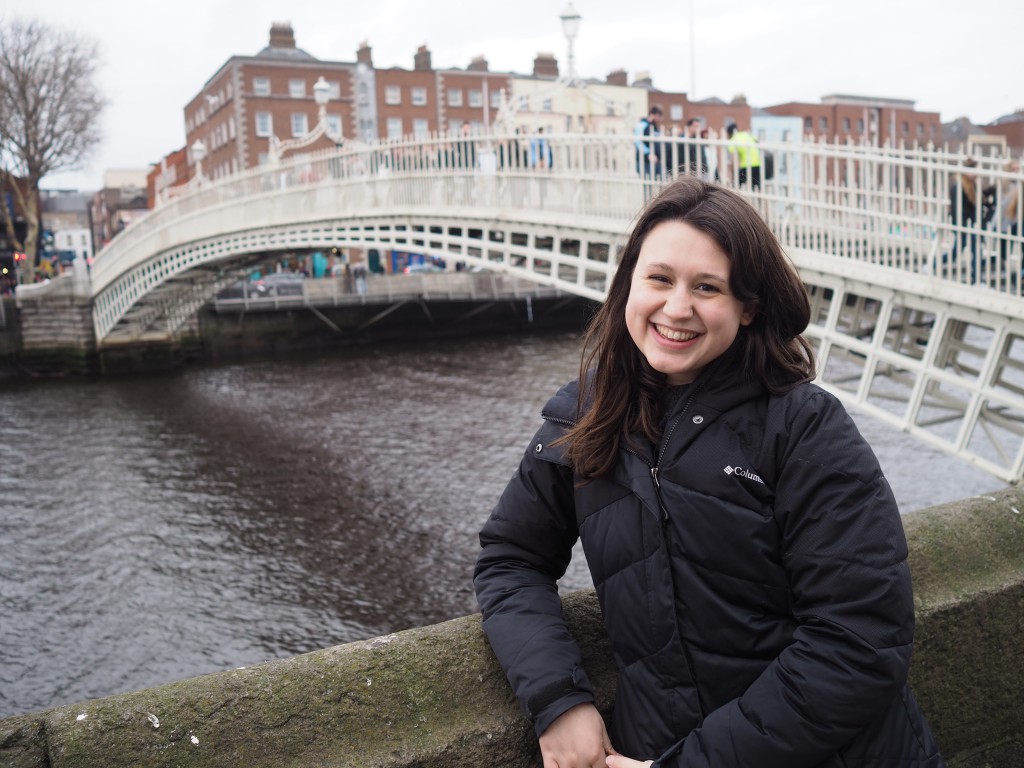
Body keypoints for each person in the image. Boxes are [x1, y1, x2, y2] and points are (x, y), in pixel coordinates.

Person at [474, 176, 945, 768]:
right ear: (628, 286)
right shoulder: (587, 416)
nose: (676, 308)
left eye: (707, 287)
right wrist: (559, 701)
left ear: (748, 307)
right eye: (659, 279)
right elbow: (511, 559)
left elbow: (857, 640)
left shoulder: (801, 426)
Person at [725, 123, 762, 189]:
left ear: (729, 133)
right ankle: (760, 199)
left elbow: (734, 160)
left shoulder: (733, 140)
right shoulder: (746, 134)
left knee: (736, 186)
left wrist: (732, 173)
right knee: (757, 187)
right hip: (757, 163)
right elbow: (757, 142)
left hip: (746, 165)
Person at [634, 105, 664, 181]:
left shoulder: (655, 127)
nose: (660, 119)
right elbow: (638, 141)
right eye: (658, 116)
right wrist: (648, 154)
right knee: (648, 186)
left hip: (656, 162)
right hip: (645, 162)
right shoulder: (642, 125)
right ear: (652, 115)